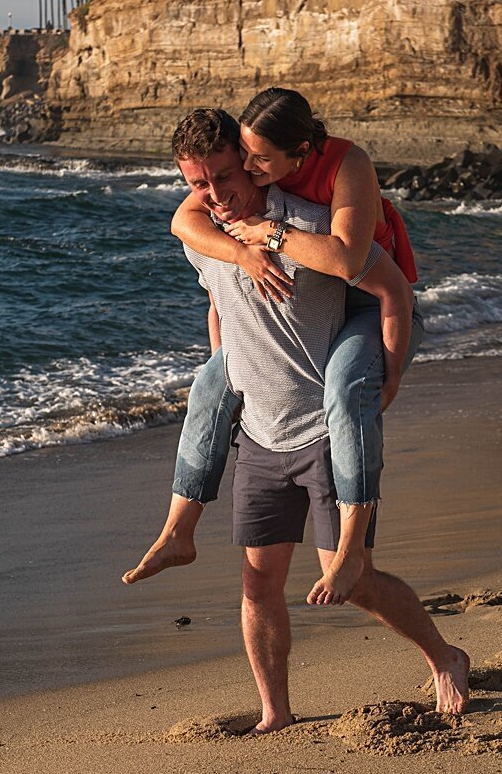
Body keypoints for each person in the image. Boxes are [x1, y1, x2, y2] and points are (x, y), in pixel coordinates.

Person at [145, 108, 467, 728]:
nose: (215, 195)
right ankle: (276, 713)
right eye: (198, 185)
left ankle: (444, 656)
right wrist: (225, 366)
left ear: (252, 163)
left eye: (224, 177)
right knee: (257, 583)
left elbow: (386, 285)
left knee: (357, 582)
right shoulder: (207, 233)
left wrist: (391, 370)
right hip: (260, 438)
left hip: (323, 431)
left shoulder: (312, 227)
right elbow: (219, 305)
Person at [124, 89, 420, 592]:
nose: (248, 167)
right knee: (208, 387)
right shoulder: (226, 198)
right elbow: (191, 235)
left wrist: (389, 378)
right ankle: (178, 529)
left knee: (347, 393)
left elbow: (359, 267)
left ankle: (352, 543)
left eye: (257, 160)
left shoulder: (342, 171)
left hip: (371, 303)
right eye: (246, 153)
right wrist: (240, 265)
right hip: (327, 297)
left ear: (298, 151)